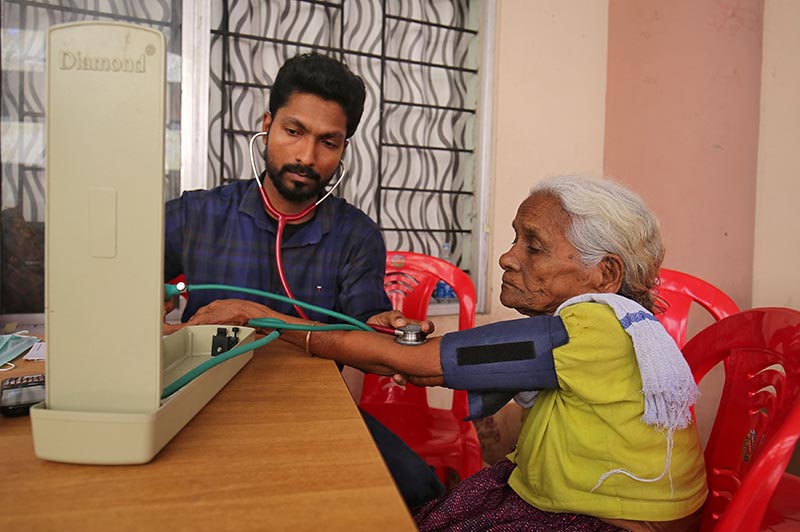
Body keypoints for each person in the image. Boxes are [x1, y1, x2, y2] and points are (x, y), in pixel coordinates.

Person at [244, 175, 709, 531]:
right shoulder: (601, 328)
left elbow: (411, 362)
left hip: (614, 521)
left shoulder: (594, 327)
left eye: (534, 246)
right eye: (515, 239)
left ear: (605, 273)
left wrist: (260, 319)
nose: (508, 258)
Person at [162, 52, 445, 507]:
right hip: (201, 407)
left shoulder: (356, 235)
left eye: (327, 143)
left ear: (344, 149)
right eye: (293, 131)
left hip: (313, 412)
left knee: (416, 489)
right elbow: (120, 282)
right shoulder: (197, 215)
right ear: (268, 124)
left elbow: (361, 330)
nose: (306, 156)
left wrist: (382, 326)